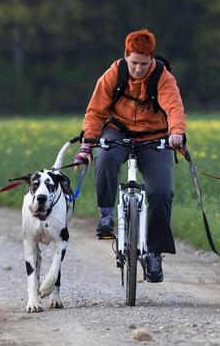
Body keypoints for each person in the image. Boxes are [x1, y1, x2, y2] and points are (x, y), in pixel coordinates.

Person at [75, 29, 187, 283]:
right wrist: (87, 144)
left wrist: (177, 132)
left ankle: (155, 253)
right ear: (126, 56)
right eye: (133, 62)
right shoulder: (114, 74)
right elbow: (95, 112)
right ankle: (106, 214)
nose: (138, 69)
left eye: (143, 64)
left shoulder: (163, 77)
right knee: (104, 158)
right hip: (118, 132)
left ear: (152, 59)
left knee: (161, 192)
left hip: (154, 138)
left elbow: (174, 108)